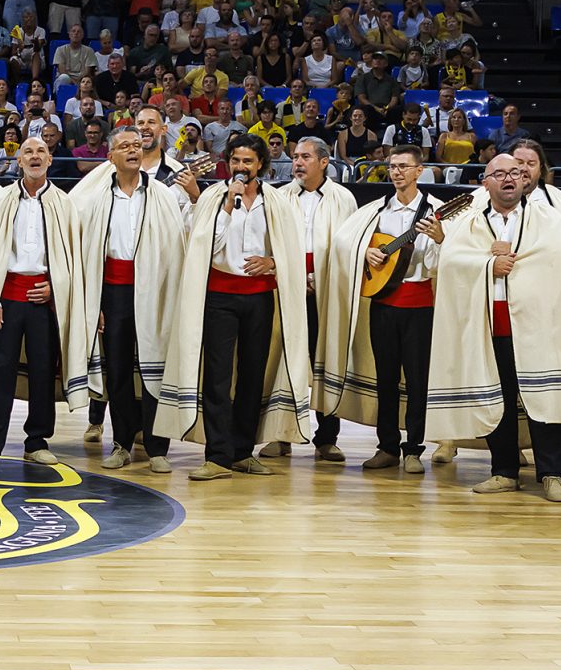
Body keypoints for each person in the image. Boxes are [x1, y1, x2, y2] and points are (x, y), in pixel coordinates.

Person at [427, 153, 561, 501]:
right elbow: (451, 262)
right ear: (485, 183)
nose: (509, 179)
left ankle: (552, 474)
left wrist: (514, 261)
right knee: (496, 399)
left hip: (539, 325)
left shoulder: (548, 219)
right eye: (500, 173)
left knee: (544, 398)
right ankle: (504, 471)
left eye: (515, 173)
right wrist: (488, 265)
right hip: (488, 324)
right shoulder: (469, 222)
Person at [154, 133, 314, 479]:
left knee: (253, 375)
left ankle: (243, 451)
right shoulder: (214, 197)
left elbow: (291, 249)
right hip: (220, 297)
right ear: (228, 162)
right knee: (217, 377)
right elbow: (206, 247)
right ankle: (217, 456)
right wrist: (228, 205)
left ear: (261, 164)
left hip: (259, 297)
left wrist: (273, 262)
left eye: (248, 161)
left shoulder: (277, 201)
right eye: (236, 160)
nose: (241, 167)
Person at [0, 132, 88, 465]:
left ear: (50, 159)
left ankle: (37, 442)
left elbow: (72, 258)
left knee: (43, 372)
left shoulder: (65, 203)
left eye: (41, 151)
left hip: (45, 298)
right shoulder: (1, 200)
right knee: (0, 372)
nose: (35, 156)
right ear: (18, 161)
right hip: (8, 296)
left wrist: (56, 287)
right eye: (28, 151)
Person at [70, 123, 189, 470]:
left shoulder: (163, 195)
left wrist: (170, 297)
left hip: (155, 292)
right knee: (119, 369)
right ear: (111, 156)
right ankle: (122, 443)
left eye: (137, 145)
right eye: (125, 146)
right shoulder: (97, 198)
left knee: (155, 369)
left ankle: (157, 448)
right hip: (114, 293)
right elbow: (88, 252)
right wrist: (95, 302)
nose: (134, 150)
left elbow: (175, 248)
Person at [323, 145, 448, 472]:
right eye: (392, 166)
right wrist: (365, 251)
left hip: (419, 304)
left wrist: (439, 239)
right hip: (382, 303)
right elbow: (346, 242)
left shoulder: (436, 210)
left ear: (419, 171)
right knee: (386, 378)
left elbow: (439, 265)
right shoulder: (377, 210)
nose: (396, 172)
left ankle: (414, 449)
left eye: (404, 166)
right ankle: (388, 447)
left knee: (418, 380)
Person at [279, 134, 358, 462]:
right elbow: (273, 243)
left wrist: (319, 277)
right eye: (296, 157)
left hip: (327, 290)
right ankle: (281, 434)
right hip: (288, 288)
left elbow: (350, 246)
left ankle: (327, 438)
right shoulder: (280, 196)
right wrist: (295, 276)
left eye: (305, 157)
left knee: (328, 360)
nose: (298, 162)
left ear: (324, 162)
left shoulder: (343, 198)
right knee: (285, 360)